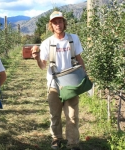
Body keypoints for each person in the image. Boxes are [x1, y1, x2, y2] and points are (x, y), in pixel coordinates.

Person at [32, 11, 86, 150]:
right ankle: (56, 139)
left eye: (60, 21)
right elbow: (43, 66)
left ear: (64, 22)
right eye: (55, 22)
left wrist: (85, 77)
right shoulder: (46, 43)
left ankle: (73, 143)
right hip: (54, 84)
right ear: (51, 25)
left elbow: (79, 59)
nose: (58, 25)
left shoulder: (73, 39)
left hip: (71, 84)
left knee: (72, 116)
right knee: (55, 115)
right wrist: (37, 58)